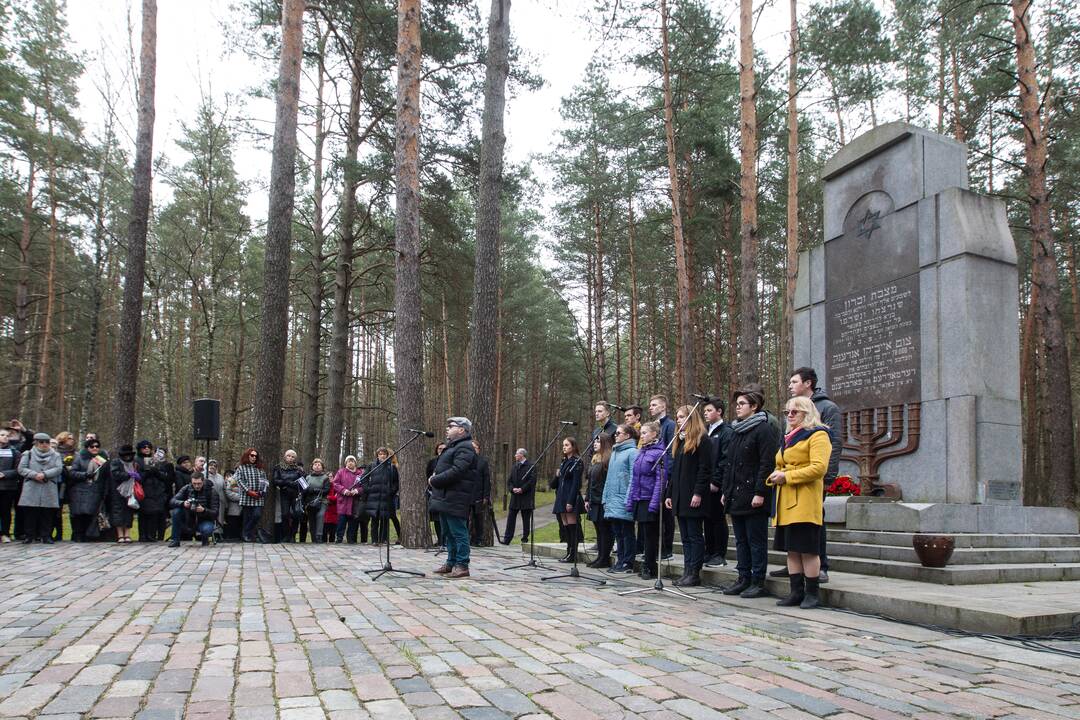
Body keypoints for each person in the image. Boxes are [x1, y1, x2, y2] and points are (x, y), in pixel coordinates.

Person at [774, 367, 842, 584]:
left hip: (809, 485)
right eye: (788, 412)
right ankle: (796, 574)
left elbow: (835, 443)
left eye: (794, 382)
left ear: (808, 383)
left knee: (812, 531)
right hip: (789, 492)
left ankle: (820, 567)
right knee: (794, 541)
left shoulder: (827, 409)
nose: (790, 386)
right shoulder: (790, 430)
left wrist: (828, 477)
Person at [770, 396, 831, 609]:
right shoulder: (788, 437)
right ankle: (795, 592)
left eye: (794, 411)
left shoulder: (818, 435)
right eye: (787, 411)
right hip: (785, 500)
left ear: (807, 413)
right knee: (792, 549)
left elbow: (819, 468)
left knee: (807, 549)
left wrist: (788, 476)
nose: (789, 415)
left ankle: (812, 593)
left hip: (804, 499)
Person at [722, 390, 780, 598]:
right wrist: (725, 490)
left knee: (756, 540)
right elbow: (730, 464)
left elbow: (766, 463)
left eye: (742, 403)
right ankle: (743, 577)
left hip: (754, 495)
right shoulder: (737, 430)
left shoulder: (763, 429)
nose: (737, 407)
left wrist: (760, 492)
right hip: (736, 494)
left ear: (754, 406)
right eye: (737, 403)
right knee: (740, 540)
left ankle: (758, 580)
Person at [665, 406, 715, 587]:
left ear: (691, 418)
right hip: (679, 494)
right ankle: (687, 570)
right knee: (685, 536)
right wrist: (669, 493)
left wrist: (698, 492)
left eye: (682, 417)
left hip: (693, 494)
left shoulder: (702, 440)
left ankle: (694, 572)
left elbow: (705, 469)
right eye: (677, 417)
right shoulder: (679, 441)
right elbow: (675, 471)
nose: (678, 420)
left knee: (694, 535)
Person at [429, 417, 479, 579]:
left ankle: (462, 565)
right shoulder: (453, 447)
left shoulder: (465, 448)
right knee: (448, 532)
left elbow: (458, 471)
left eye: (451, 426)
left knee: (458, 532)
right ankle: (451, 562)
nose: (447, 428)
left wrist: (434, 480)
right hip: (445, 497)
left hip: (456, 497)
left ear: (462, 430)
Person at [628, 421, 666, 579]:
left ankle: (649, 567)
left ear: (654, 434)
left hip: (650, 499)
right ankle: (647, 563)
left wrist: (654, 502)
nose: (641, 436)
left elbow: (661, 480)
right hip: (639, 498)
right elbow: (634, 478)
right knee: (642, 534)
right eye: (641, 433)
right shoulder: (641, 452)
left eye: (644, 433)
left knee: (650, 535)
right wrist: (630, 499)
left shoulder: (659, 453)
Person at [603, 424, 639, 573]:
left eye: (618, 433)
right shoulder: (614, 452)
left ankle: (628, 562)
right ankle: (620, 559)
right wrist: (605, 497)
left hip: (624, 498)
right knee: (618, 532)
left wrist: (628, 499)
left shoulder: (632, 452)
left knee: (627, 532)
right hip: (612, 499)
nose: (615, 435)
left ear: (628, 436)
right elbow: (609, 478)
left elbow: (633, 477)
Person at [16, 433, 63, 544]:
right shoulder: (28, 454)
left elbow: (58, 468)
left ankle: (46, 536)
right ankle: (29, 536)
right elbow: (21, 469)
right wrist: (34, 475)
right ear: (36, 443)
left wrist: (45, 474)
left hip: (48, 486)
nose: (44, 444)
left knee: (47, 514)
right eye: (41, 442)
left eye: (47, 442)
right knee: (30, 513)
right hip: (32, 486)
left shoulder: (55, 455)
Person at [703, 397, 733, 567]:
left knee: (717, 518)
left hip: (717, 484)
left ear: (719, 412)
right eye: (705, 411)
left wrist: (716, 481)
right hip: (705, 483)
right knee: (707, 519)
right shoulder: (706, 431)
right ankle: (709, 551)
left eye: (709, 410)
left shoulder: (726, 431)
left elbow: (724, 459)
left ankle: (719, 554)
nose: (706, 414)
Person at [648, 395, 677, 560]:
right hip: (654, 476)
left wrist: (667, 477)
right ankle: (657, 548)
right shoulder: (654, 426)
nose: (651, 407)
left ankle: (667, 549)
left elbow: (671, 454)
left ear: (664, 406)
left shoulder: (670, 425)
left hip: (665, 476)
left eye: (654, 405)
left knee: (667, 516)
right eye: (650, 405)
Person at [66, 438, 107, 542]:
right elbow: (72, 473)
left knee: (90, 514)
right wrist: (85, 475)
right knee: (79, 514)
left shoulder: (102, 459)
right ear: (87, 447)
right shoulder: (80, 458)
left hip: (95, 489)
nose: (95, 448)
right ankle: (77, 535)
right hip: (80, 490)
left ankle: (87, 535)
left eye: (97, 446)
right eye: (92, 446)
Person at [552, 437, 585, 563]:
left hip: (569, 498)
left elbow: (576, 484)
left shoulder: (577, 462)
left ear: (573, 446)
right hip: (561, 496)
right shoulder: (564, 461)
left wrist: (570, 501)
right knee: (565, 526)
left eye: (566, 445)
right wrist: (557, 475)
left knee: (572, 526)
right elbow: (554, 484)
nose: (564, 447)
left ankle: (573, 553)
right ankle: (568, 551)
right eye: (563, 445)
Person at [584, 433, 614, 568]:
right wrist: (587, 498)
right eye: (594, 441)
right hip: (593, 500)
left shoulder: (607, 460)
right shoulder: (595, 459)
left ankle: (604, 557)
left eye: (598, 441)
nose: (595, 444)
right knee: (598, 529)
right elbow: (590, 481)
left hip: (602, 500)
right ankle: (600, 556)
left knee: (604, 529)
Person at [168, 471, 219, 547]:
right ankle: (175, 540)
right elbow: (172, 501)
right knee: (176, 511)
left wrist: (204, 510)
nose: (196, 486)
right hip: (189, 518)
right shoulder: (187, 488)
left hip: (205, 519)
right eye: (194, 483)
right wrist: (183, 503)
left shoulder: (211, 491)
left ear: (203, 481)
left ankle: (205, 539)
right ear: (191, 482)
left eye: (199, 483)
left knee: (207, 529)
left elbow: (215, 512)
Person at [106, 444, 141, 543]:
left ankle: (127, 534)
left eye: (129, 455)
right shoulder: (116, 462)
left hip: (131, 490)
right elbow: (115, 474)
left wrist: (137, 476)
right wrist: (128, 475)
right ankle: (120, 535)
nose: (128, 457)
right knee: (118, 512)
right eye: (126, 455)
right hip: (118, 490)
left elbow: (139, 474)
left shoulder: (134, 463)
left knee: (129, 512)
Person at [135, 441, 169, 542]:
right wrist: (147, 472)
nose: (146, 449)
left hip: (156, 491)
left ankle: (151, 535)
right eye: (144, 447)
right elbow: (138, 477)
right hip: (143, 490)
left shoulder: (155, 460)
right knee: (144, 514)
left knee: (154, 514)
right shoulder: (137, 461)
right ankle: (143, 536)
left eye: (148, 447)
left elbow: (164, 477)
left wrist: (156, 471)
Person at [364, 448, 399, 544]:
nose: (382, 456)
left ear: (387, 455)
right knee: (374, 520)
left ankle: (383, 539)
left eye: (384, 454)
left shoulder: (391, 467)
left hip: (386, 498)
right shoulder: (371, 466)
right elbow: (364, 478)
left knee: (384, 520)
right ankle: (374, 540)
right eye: (380, 454)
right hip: (373, 497)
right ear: (377, 455)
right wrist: (368, 489)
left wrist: (391, 491)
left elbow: (396, 482)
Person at [501, 448, 535, 545]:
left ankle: (525, 538)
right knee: (511, 518)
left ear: (522, 455)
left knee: (526, 519)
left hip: (526, 497)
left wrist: (522, 489)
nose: (515, 455)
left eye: (516, 454)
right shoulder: (514, 466)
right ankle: (507, 539)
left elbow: (532, 481)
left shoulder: (531, 466)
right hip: (515, 497)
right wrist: (513, 489)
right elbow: (509, 481)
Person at [235, 448, 268, 542]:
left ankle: (247, 532)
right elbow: (239, 480)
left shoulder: (260, 468)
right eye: (252, 455)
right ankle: (245, 534)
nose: (254, 458)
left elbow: (265, 481)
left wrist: (263, 491)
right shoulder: (241, 467)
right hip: (247, 496)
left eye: (255, 456)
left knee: (257, 515)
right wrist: (248, 491)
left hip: (258, 496)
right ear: (247, 456)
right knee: (247, 517)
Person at [273, 449, 305, 543]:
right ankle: (286, 535)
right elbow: (275, 481)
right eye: (288, 456)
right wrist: (287, 482)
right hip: (284, 494)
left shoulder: (298, 469)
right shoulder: (278, 467)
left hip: (295, 495)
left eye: (292, 457)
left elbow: (304, 484)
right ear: (285, 456)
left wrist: (294, 484)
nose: (290, 458)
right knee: (285, 514)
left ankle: (293, 535)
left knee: (296, 515)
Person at [332, 455, 364, 543]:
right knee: (341, 522)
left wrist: (357, 490)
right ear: (346, 463)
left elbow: (364, 486)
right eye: (348, 461)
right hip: (343, 502)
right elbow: (335, 484)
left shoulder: (360, 473)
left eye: (352, 461)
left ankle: (351, 540)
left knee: (353, 523)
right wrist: (344, 490)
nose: (350, 463)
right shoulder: (341, 472)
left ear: (355, 463)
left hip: (355, 502)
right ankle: (339, 539)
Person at [53, 431, 77, 540]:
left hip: (73, 484)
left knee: (74, 510)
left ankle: (75, 533)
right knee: (57, 510)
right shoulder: (56, 453)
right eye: (69, 438)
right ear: (63, 439)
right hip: (60, 484)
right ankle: (59, 533)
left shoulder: (77, 454)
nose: (72, 440)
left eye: (72, 438)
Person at [0, 428, 22, 542]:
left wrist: (4, 474)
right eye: (2, 435)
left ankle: (5, 533)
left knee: (5, 511)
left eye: (7, 435)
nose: (5, 437)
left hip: (8, 487)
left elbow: (18, 470)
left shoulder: (14, 452)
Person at [300, 458, 330, 543]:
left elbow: (326, 490)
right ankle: (314, 538)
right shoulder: (307, 477)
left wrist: (314, 490)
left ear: (322, 467)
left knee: (320, 516)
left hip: (322, 501)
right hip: (309, 502)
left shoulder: (325, 478)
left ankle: (319, 536)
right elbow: (304, 490)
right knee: (311, 520)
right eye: (315, 464)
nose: (317, 466)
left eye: (319, 465)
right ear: (312, 466)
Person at [469, 440, 492, 546]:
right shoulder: (465, 460)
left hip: (478, 495)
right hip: (466, 494)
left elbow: (487, 481)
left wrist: (486, 496)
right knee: (464, 518)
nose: (473, 450)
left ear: (478, 449)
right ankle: (466, 538)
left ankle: (478, 539)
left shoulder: (483, 462)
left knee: (478, 519)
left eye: (475, 448)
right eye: (471, 447)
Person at [426, 443, 446, 546]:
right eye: (439, 448)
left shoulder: (450, 461)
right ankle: (440, 540)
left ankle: (446, 540)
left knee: (446, 518)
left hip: (446, 494)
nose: (441, 450)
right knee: (436, 519)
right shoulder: (432, 462)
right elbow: (427, 476)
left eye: (444, 448)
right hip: (433, 493)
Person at [206, 459, 227, 538]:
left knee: (220, 518)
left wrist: (226, 503)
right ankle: (207, 534)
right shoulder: (204, 475)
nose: (213, 467)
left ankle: (218, 535)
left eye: (215, 466)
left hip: (220, 501)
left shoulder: (220, 477)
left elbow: (225, 489)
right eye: (211, 465)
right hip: (209, 500)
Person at [223, 470, 243, 541]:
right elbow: (229, 493)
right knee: (233, 526)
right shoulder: (232, 480)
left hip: (244, 509)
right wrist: (244, 497)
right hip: (233, 509)